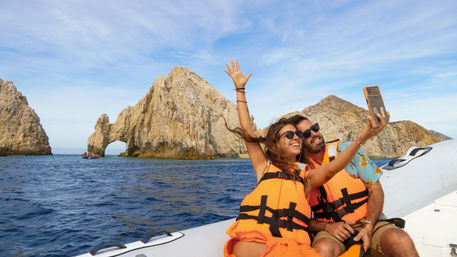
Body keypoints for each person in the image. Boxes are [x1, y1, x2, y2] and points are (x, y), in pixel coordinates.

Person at [223, 60, 387, 257]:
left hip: (292, 248)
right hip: (257, 242)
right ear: (276, 143)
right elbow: (247, 131)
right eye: (289, 135)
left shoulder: (306, 177)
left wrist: (362, 138)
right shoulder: (263, 167)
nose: (297, 139)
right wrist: (240, 90)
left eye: (298, 135)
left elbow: (332, 168)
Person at [289, 115, 419, 257]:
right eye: (307, 134)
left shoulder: (346, 150)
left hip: (369, 222)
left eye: (315, 128)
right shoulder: (299, 172)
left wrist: (369, 226)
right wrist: (326, 226)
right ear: (299, 141)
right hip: (330, 230)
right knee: (322, 250)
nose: (314, 134)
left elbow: (375, 189)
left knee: (401, 240)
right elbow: (299, 218)